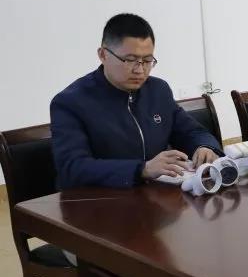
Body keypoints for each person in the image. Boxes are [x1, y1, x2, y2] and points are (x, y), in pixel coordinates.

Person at [50, 13, 223, 190]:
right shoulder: (70, 102)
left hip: (155, 195)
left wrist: (204, 147)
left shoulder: (158, 90)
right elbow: (72, 168)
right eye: (130, 60)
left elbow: (191, 131)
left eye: (147, 60)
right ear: (103, 55)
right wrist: (142, 169)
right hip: (97, 199)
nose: (140, 70)